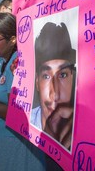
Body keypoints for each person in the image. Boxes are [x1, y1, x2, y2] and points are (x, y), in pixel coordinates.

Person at [0, 13, 46, 171]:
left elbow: (14, 112)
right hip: (2, 141)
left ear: (12, 39)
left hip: (15, 143)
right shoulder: (1, 60)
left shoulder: (18, 64)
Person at [31, 22, 76, 150]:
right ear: (37, 83)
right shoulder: (27, 121)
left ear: (73, 78)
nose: (55, 94)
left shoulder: (83, 126)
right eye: (46, 76)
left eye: (62, 75)